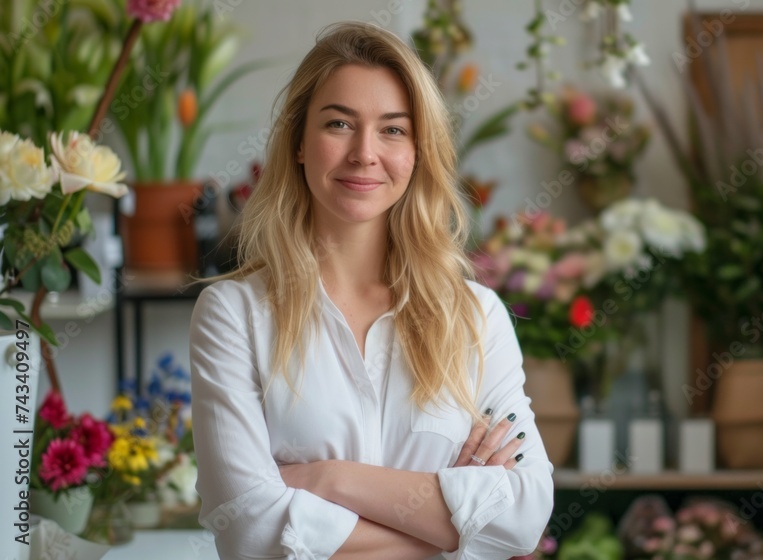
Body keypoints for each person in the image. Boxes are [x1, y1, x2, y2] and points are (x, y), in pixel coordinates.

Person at [189, 21, 554, 560]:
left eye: (393, 129)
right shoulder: (233, 314)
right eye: (339, 123)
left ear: (417, 151)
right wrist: (453, 526)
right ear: (297, 143)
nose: (364, 153)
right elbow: (248, 533)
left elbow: (523, 516)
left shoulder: (475, 316)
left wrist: (325, 479)